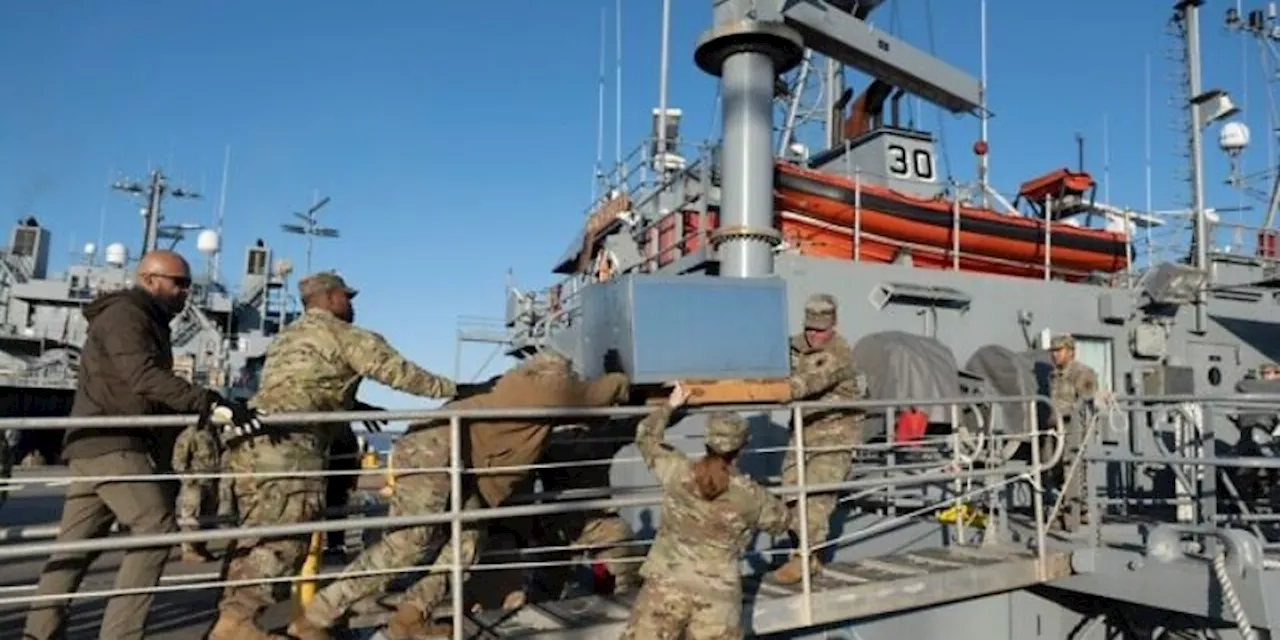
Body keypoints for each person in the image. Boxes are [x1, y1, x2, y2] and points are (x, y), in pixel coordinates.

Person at [286, 350, 630, 640]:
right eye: (568, 378)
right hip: (433, 452)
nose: (570, 384)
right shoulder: (539, 387)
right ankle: (315, 618)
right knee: (406, 545)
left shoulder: (517, 389)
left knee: (467, 540)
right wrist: (623, 378)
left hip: (455, 463)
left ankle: (409, 617)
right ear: (555, 375)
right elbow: (593, 396)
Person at [209, 271, 461, 640]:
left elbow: (305, 384)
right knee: (284, 538)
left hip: (254, 438)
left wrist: (354, 404)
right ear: (329, 298)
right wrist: (459, 388)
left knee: (256, 534)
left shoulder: (288, 338)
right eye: (347, 297)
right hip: (290, 444)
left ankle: (235, 620)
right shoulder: (345, 335)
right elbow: (401, 374)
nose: (352, 304)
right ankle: (235, 625)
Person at [23, 250, 260, 640]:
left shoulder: (143, 318)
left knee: (72, 551)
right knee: (157, 529)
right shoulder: (127, 315)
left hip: (94, 443)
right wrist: (210, 401)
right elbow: (143, 375)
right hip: (114, 442)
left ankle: (39, 633)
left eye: (189, 284)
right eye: (179, 283)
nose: (186, 292)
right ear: (149, 280)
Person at [619, 383, 792, 639]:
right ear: (742, 448)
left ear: (707, 441)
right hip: (718, 596)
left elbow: (645, 435)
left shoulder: (677, 472)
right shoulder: (752, 496)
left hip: (667, 584)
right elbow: (781, 521)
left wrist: (671, 404)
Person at [768, 293, 865, 585]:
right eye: (809, 329)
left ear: (832, 327)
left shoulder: (838, 355)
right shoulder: (796, 345)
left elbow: (803, 384)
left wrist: (756, 389)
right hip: (803, 433)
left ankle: (802, 560)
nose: (813, 336)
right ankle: (807, 557)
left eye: (820, 331)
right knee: (790, 496)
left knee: (816, 498)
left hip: (835, 438)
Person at [1046, 333, 1098, 532]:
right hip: (1056, 428)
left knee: (1073, 472)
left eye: (1059, 351)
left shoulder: (1083, 373)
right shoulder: (1054, 375)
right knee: (1055, 471)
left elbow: (1085, 403)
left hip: (1074, 429)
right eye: (1053, 352)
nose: (1055, 355)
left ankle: (1072, 516)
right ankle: (1063, 511)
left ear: (1071, 352)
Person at [171, 423, 224, 562]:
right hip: (195, 483)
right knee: (191, 515)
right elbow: (178, 460)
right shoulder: (190, 433)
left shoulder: (215, 432)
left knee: (209, 515)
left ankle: (201, 547)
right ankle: (188, 550)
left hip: (211, 480)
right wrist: (189, 480)